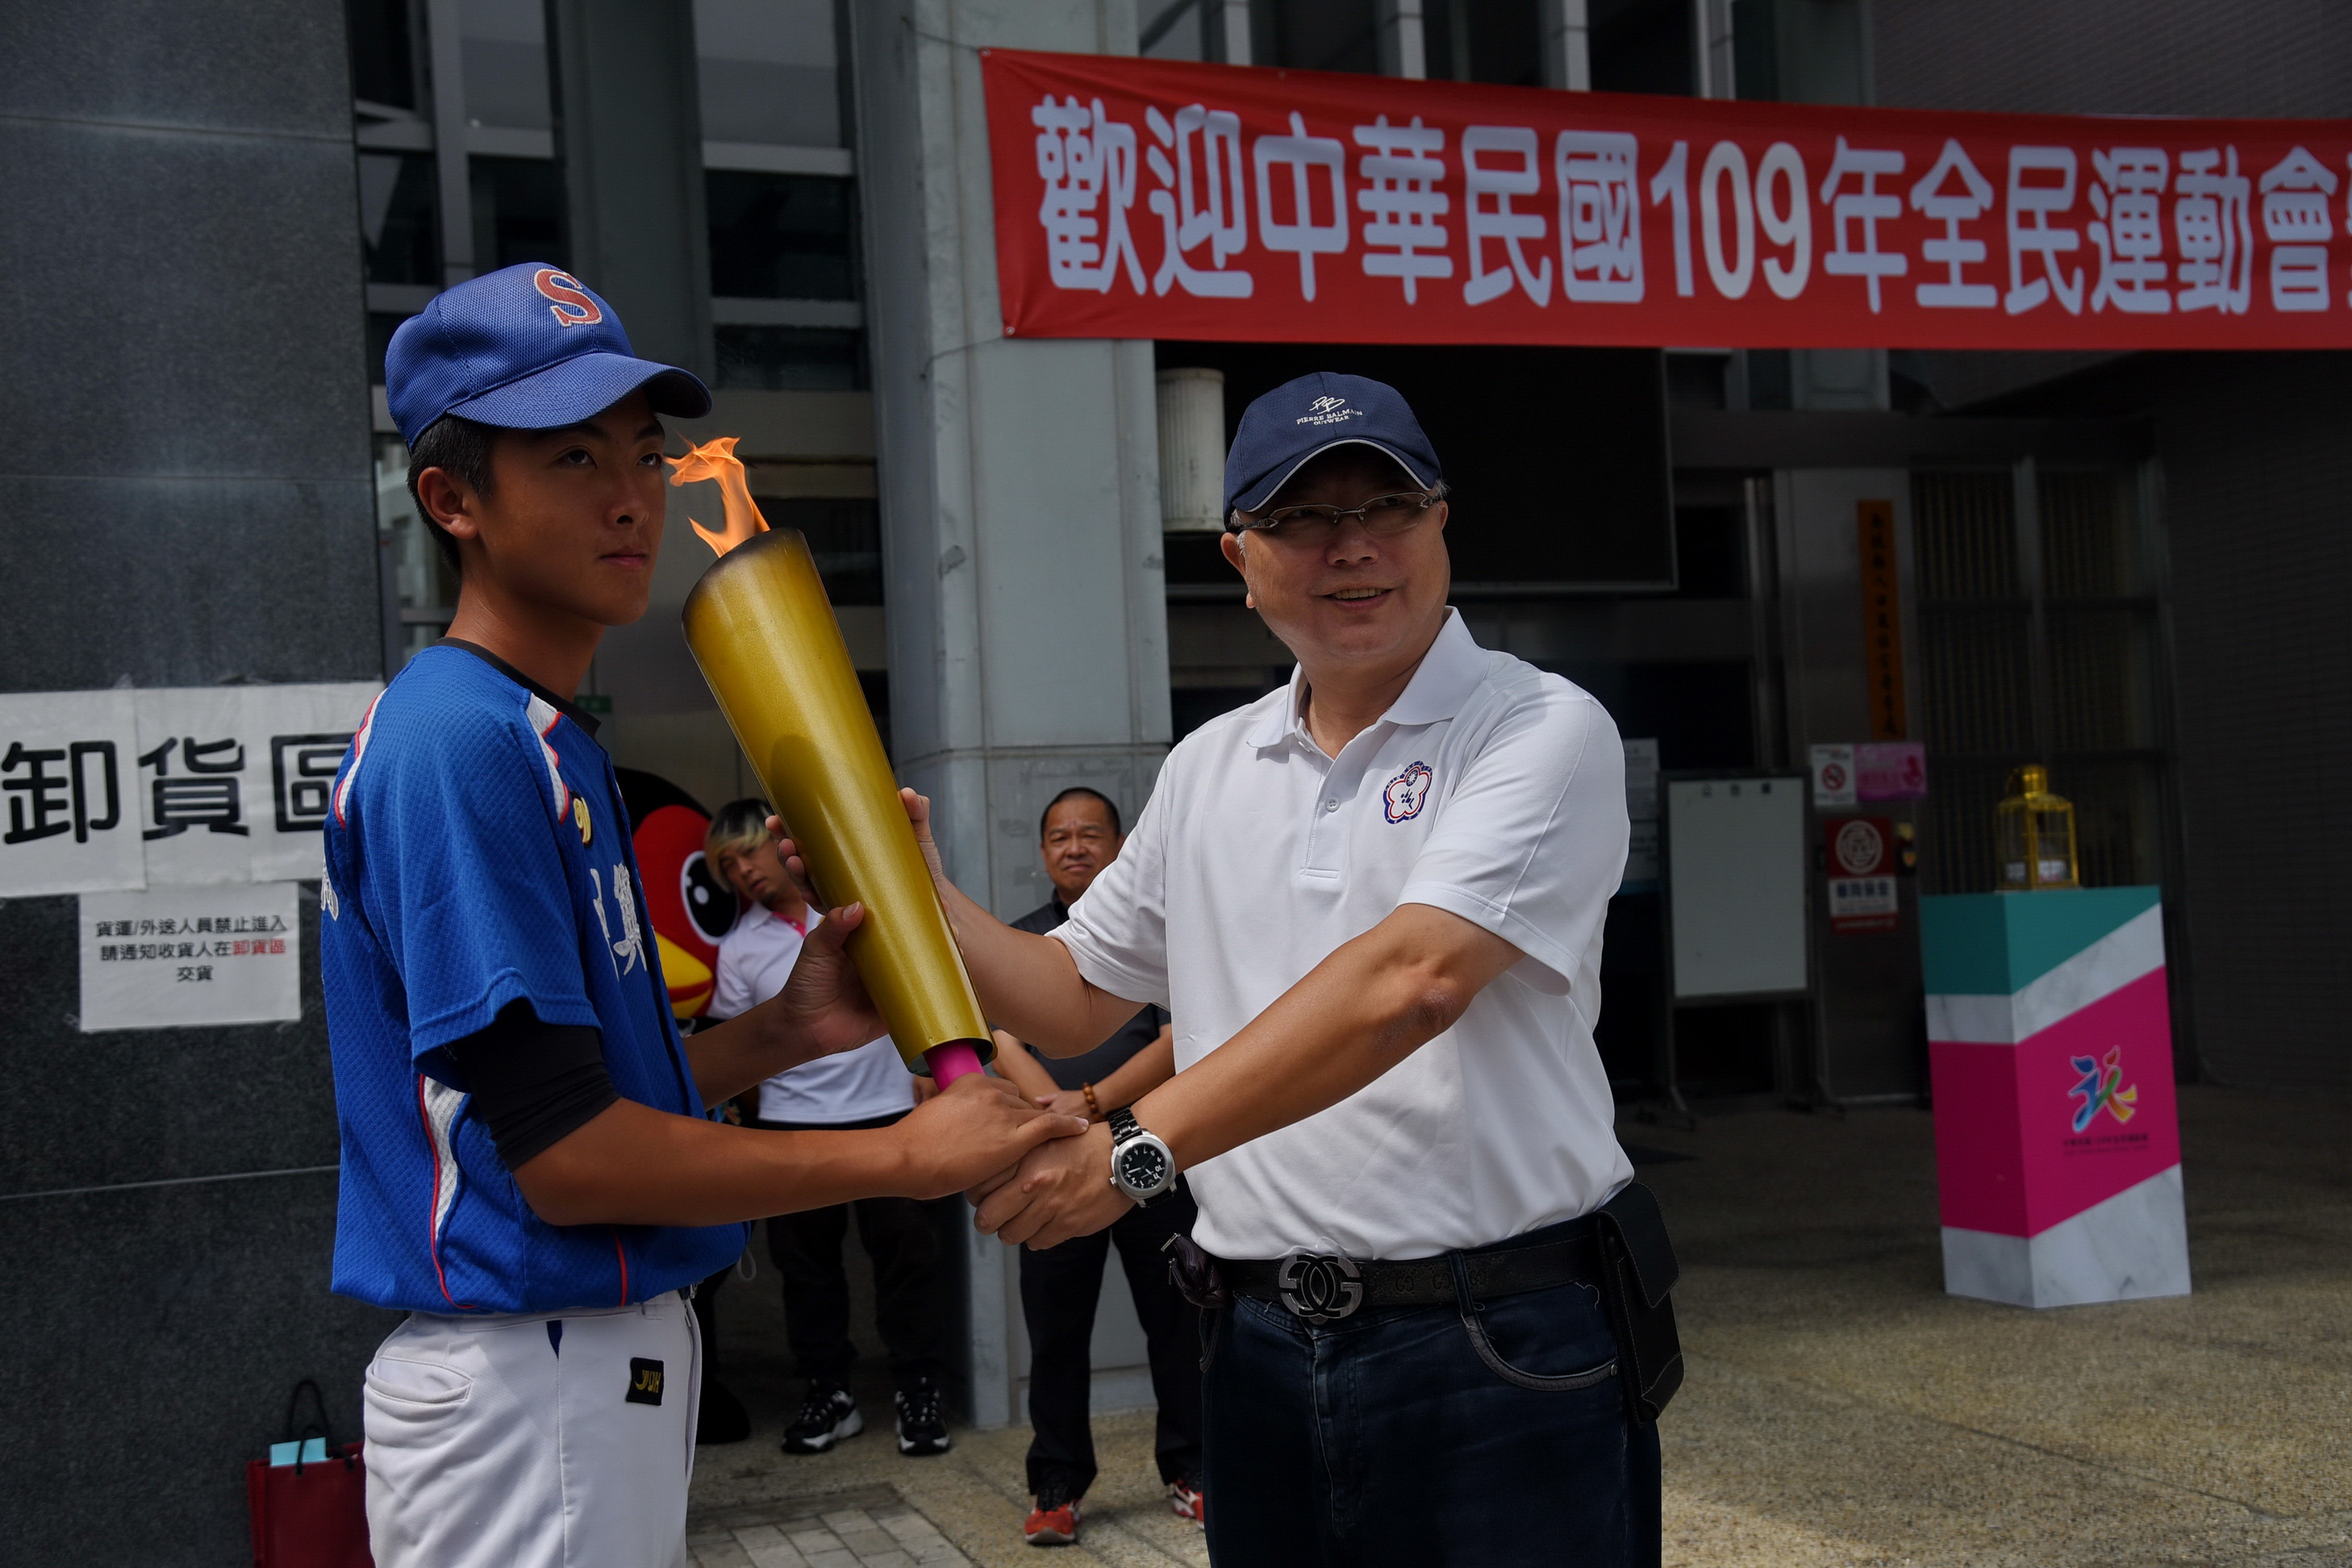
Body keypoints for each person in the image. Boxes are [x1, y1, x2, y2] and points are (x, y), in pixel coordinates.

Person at [779, 373, 1668, 1567]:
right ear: (1239, 555)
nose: (1348, 548)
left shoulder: (1537, 729)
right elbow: (1068, 988)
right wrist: (911, 890)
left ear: (1440, 519)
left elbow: (1411, 981)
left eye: (1384, 507)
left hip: (1492, 1344)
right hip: (1253, 1341)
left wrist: (1133, 1154)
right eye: (1299, 519)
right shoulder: (1211, 764)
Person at [321, 263, 1083, 1568]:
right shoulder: (460, 742)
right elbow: (568, 1162)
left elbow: (566, 1091)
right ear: (452, 500)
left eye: (643, 451)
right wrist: (905, 1156)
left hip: (574, 1368)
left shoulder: (540, 738)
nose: (632, 495)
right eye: (570, 457)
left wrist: (779, 1035)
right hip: (525, 1375)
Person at [704, 798, 954, 1459]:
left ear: (776, 841)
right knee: (807, 1274)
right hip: (790, 1127)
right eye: (725, 864)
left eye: (747, 850)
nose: (742, 871)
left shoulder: (850, 910)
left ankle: (918, 1391)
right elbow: (736, 1044)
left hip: (890, 1113)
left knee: (908, 1265)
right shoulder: (739, 947)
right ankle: (827, 1392)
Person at [988, 788, 1203, 1546]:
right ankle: (1056, 1484)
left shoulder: (1156, 936)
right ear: (1042, 850)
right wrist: (1058, 1113)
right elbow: (996, 1039)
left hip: (1150, 1149)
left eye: (1089, 834)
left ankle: (1192, 1468)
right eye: (1058, 835)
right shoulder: (1017, 940)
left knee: (1177, 1318)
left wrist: (1092, 1102)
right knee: (1055, 1329)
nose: (1073, 846)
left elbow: (1181, 1036)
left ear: (1119, 844)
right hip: (1050, 1159)